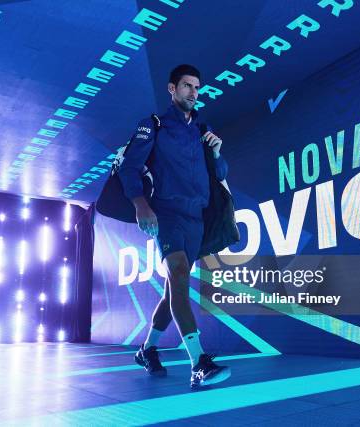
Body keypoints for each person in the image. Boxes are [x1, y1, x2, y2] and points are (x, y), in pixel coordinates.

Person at [118, 64, 231, 388]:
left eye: (197, 88)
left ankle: (147, 349)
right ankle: (199, 362)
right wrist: (141, 205)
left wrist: (218, 152)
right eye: (187, 86)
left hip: (197, 218)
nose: (193, 93)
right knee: (179, 273)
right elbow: (130, 168)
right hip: (167, 214)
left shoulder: (203, 130)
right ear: (172, 89)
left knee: (174, 290)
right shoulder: (153, 126)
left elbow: (220, 174)